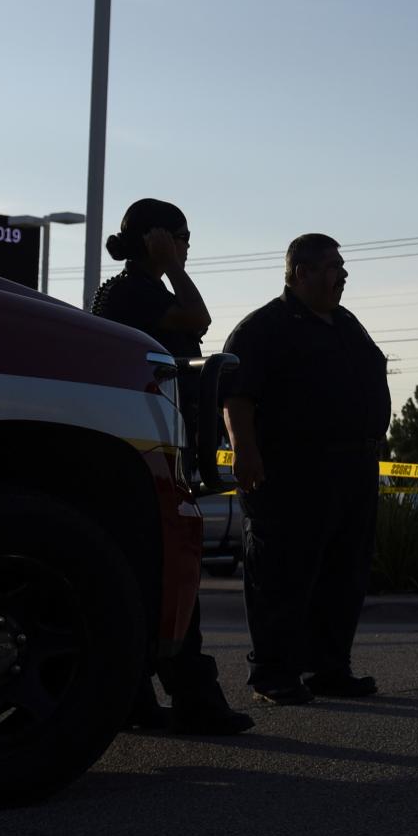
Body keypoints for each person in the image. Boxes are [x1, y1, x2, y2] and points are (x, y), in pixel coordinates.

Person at [92, 198, 253, 736]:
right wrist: (177, 267)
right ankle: (195, 699)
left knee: (144, 571)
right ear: (157, 237)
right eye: (181, 236)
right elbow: (198, 319)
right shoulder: (136, 289)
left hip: (146, 446)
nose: (186, 246)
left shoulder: (135, 289)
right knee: (167, 566)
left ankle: (132, 698)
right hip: (144, 448)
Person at [221, 234, 390, 706]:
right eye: (334, 266)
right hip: (292, 470)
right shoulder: (264, 328)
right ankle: (273, 675)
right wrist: (244, 450)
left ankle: (329, 669)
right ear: (302, 273)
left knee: (344, 572)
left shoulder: (345, 323)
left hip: (352, 468)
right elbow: (237, 396)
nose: (343, 274)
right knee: (282, 573)